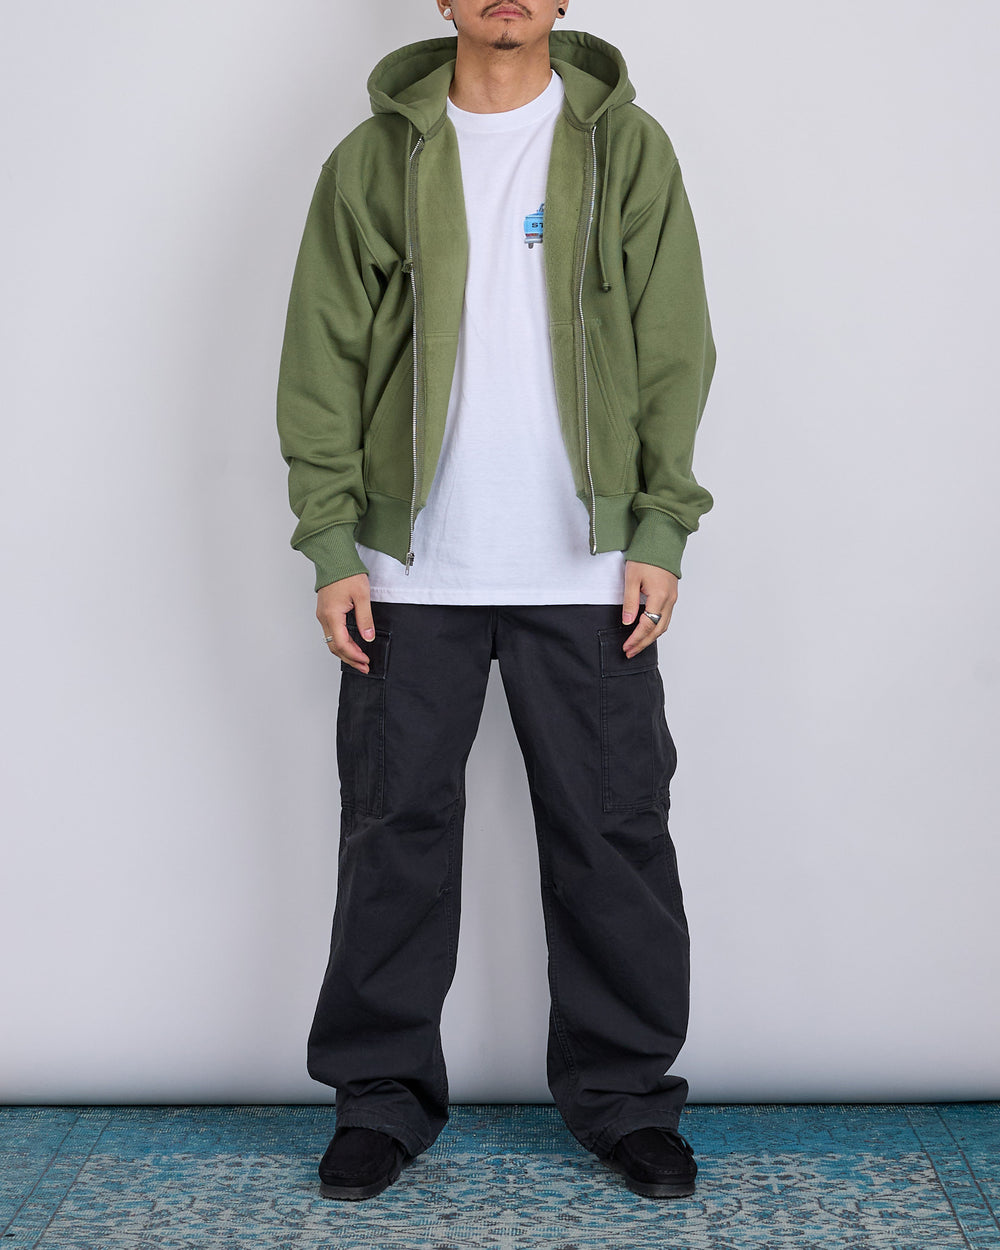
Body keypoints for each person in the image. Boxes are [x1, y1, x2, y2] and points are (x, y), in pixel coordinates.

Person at [276, 0, 716, 1203]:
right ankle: (379, 1099)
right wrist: (332, 543)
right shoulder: (373, 157)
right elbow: (321, 356)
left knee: (614, 838)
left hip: (589, 565)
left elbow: (674, 345)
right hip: (409, 568)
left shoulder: (627, 149)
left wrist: (661, 525)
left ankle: (626, 1101)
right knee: (392, 835)